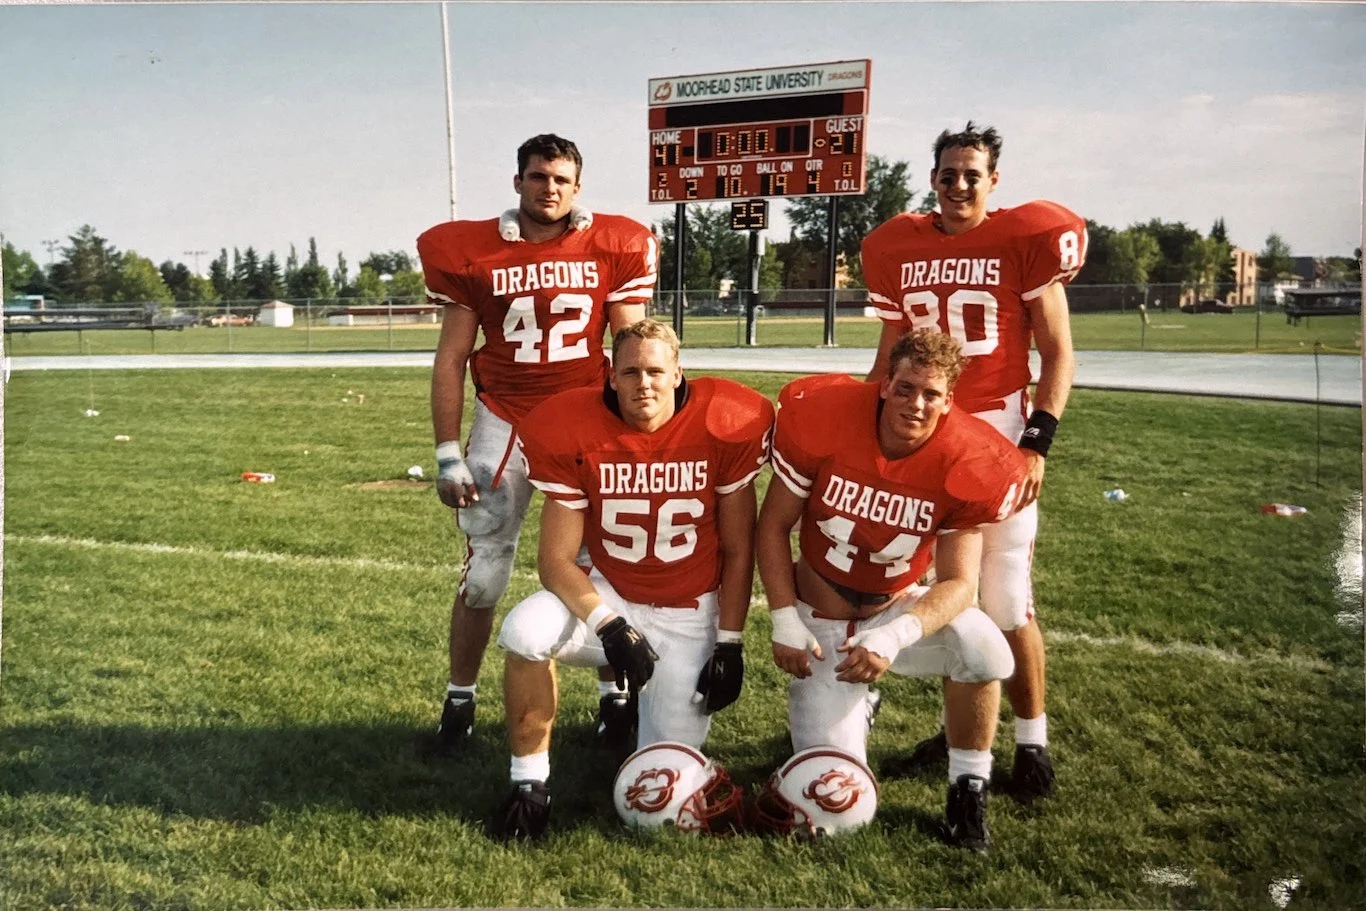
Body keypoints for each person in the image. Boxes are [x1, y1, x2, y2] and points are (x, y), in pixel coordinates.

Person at [861, 121, 1087, 801]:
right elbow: (888, 354)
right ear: (932, 178)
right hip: (921, 422)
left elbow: (1058, 352)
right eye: (948, 173)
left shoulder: (1024, 239)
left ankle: (1033, 741)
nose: (959, 185)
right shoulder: (897, 244)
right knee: (924, 586)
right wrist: (868, 432)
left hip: (993, 425)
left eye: (972, 174)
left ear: (994, 181)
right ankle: (958, 727)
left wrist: (1037, 439)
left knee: (1005, 595)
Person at [417, 134, 659, 754]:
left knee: (602, 565)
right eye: (537, 176)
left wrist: (635, 434)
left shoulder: (614, 244)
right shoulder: (474, 252)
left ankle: (616, 701)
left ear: (577, 186)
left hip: (581, 420)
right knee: (485, 577)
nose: (548, 188)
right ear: (518, 181)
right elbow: (451, 360)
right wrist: (447, 452)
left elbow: (630, 352)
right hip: (504, 419)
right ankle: (459, 699)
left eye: (560, 178)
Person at [492, 319, 774, 840]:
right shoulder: (574, 429)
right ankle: (529, 786)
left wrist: (729, 643)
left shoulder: (723, 426)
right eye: (630, 372)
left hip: (687, 612)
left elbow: (739, 552)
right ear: (612, 377)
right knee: (524, 632)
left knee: (660, 796)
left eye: (654, 371)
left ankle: (644, 720)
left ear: (677, 374)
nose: (643, 383)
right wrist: (609, 624)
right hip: (611, 593)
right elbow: (555, 561)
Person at [756, 329, 1024, 852]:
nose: (916, 404)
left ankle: (968, 789)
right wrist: (784, 619)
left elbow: (959, 582)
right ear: (884, 385)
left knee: (985, 650)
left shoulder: (968, 457)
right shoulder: (825, 419)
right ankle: (854, 707)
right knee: (834, 792)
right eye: (905, 388)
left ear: (950, 402)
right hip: (821, 619)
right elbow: (772, 527)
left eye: (931, 394)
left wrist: (897, 635)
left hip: (894, 605)